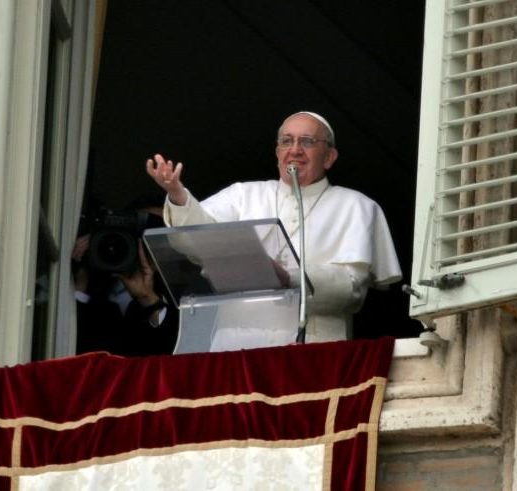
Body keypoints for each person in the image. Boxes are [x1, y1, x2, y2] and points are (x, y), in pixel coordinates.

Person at [145, 111, 402, 347]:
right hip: (235, 345)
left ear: (329, 157)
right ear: (278, 152)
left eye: (307, 141)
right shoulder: (242, 195)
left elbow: (352, 290)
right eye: (287, 141)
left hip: (314, 346)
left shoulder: (357, 206)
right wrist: (178, 196)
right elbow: (195, 240)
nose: (295, 150)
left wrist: (289, 278)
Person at [72, 200, 178, 356]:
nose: (148, 242)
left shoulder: (177, 296)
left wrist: (148, 299)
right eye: (142, 229)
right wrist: (81, 279)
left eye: (160, 233)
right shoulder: (94, 284)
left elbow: (172, 351)